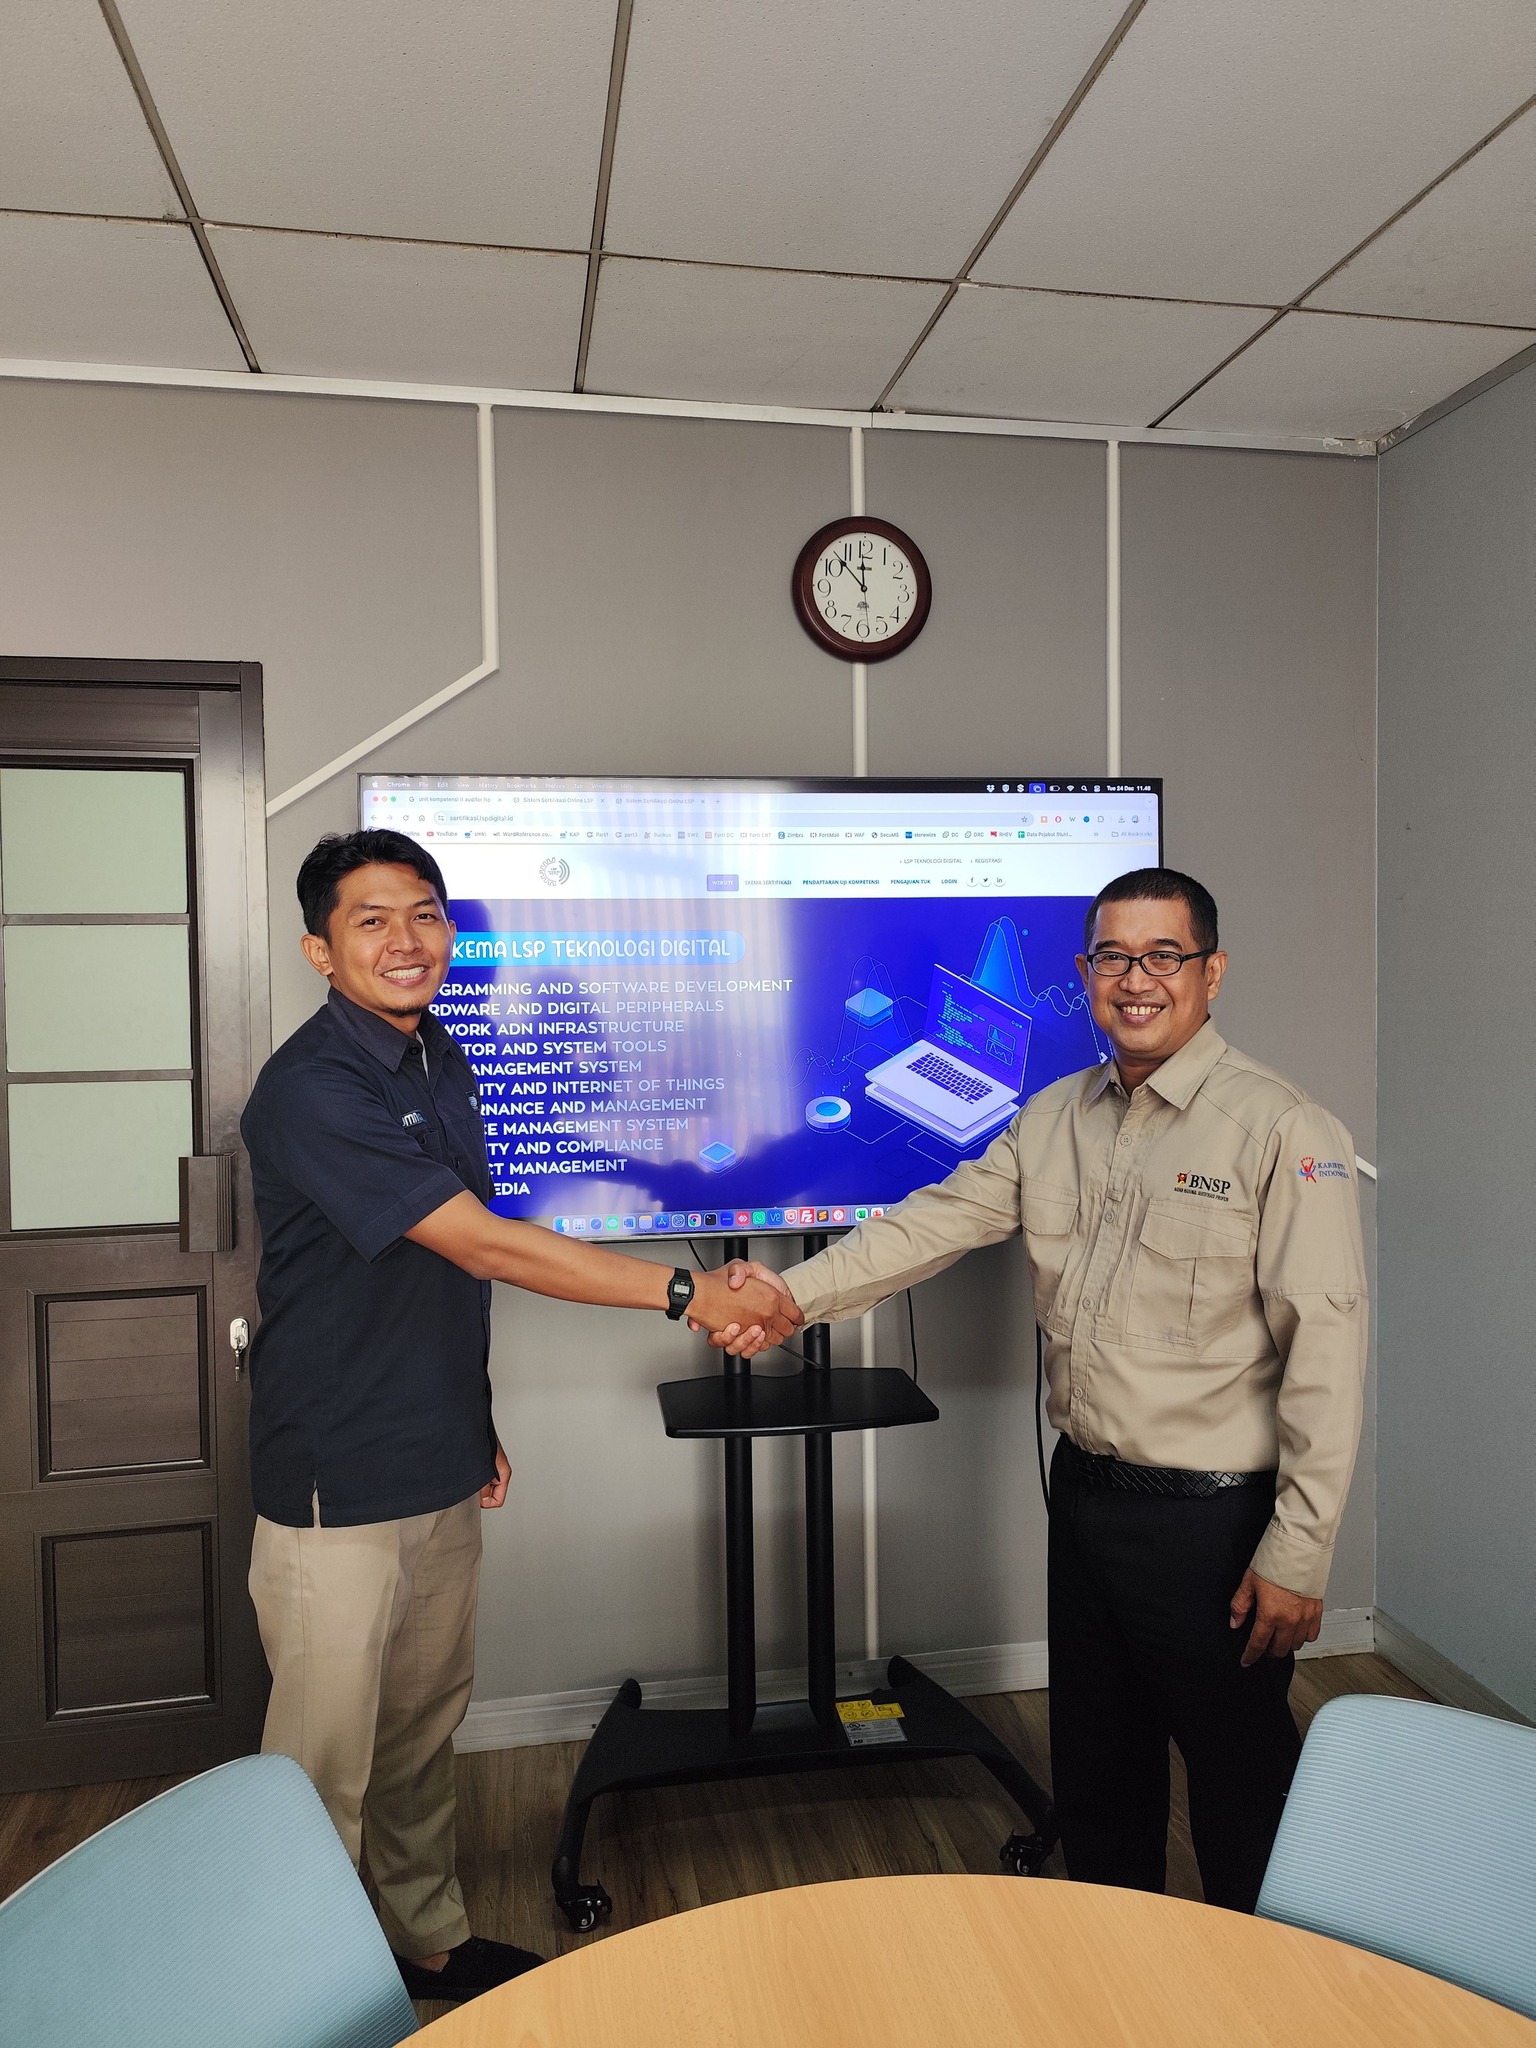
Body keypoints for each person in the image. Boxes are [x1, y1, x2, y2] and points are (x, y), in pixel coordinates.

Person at [709, 867, 1366, 1912]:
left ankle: (1269, 1982)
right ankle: (1109, 1963)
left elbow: (1325, 1354)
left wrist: (1300, 1548)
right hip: (1089, 1498)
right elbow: (934, 1221)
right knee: (1099, 1775)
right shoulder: (1055, 1115)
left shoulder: (1283, 1128)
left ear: (1212, 973)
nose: (1137, 979)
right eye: (1114, 956)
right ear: (1085, 972)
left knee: (1244, 1790)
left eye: (1165, 955)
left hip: (1214, 1526)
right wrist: (790, 1293)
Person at [240, 830, 799, 2002]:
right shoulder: (312, 1086)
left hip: (437, 1451)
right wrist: (690, 1291)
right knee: (321, 1767)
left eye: (425, 914)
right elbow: (486, 1243)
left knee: (419, 1729)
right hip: (337, 1475)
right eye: (372, 920)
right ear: (319, 950)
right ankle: (306, 1998)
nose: (408, 940)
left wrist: (475, 1413)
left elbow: (443, 1276)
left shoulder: (438, 1055)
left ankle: (427, 1941)